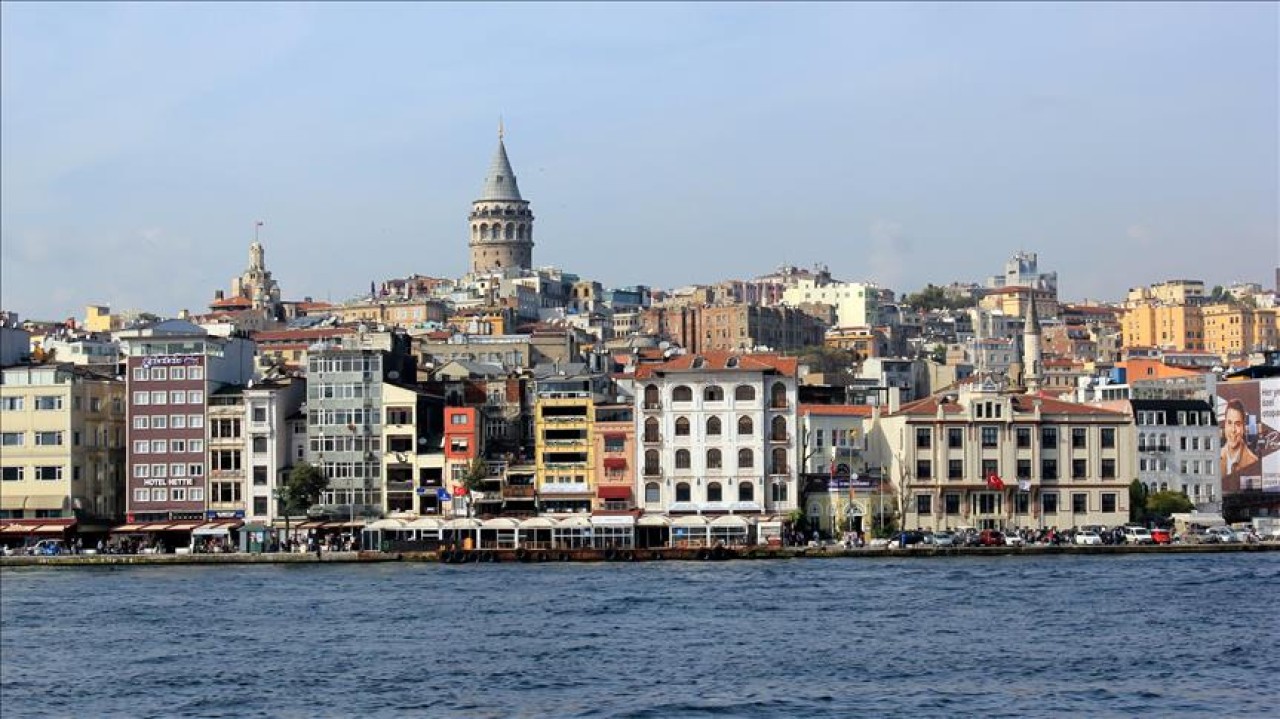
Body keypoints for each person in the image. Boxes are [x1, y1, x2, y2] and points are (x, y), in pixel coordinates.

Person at [1220, 398, 1260, 493]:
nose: (1233, 430)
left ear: (1243, 427)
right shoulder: (1215, 459)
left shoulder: (1253, 461)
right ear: (1224, 425)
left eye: (1237, 424)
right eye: (1229, 423)